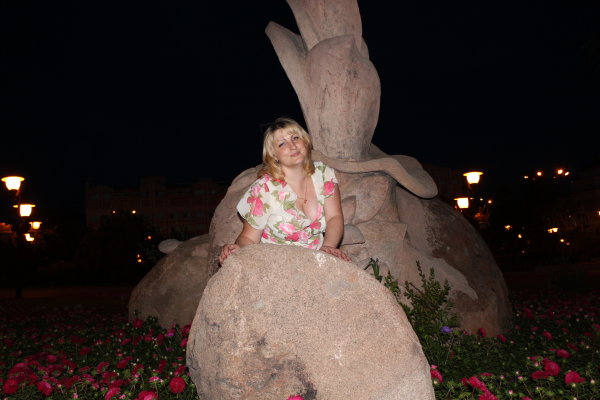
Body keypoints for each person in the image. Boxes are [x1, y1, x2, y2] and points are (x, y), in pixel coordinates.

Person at [219, 117, 351, 264]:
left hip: (317, 258)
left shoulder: (324, 174)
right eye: (282, 143)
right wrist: (237, 250)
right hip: (276, 263)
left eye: (295, 138)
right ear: (274, 155)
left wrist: (328, 248)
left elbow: (334, 217)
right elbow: (249, 237)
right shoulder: (264, 188)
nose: (292, 146)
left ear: (305, 141)